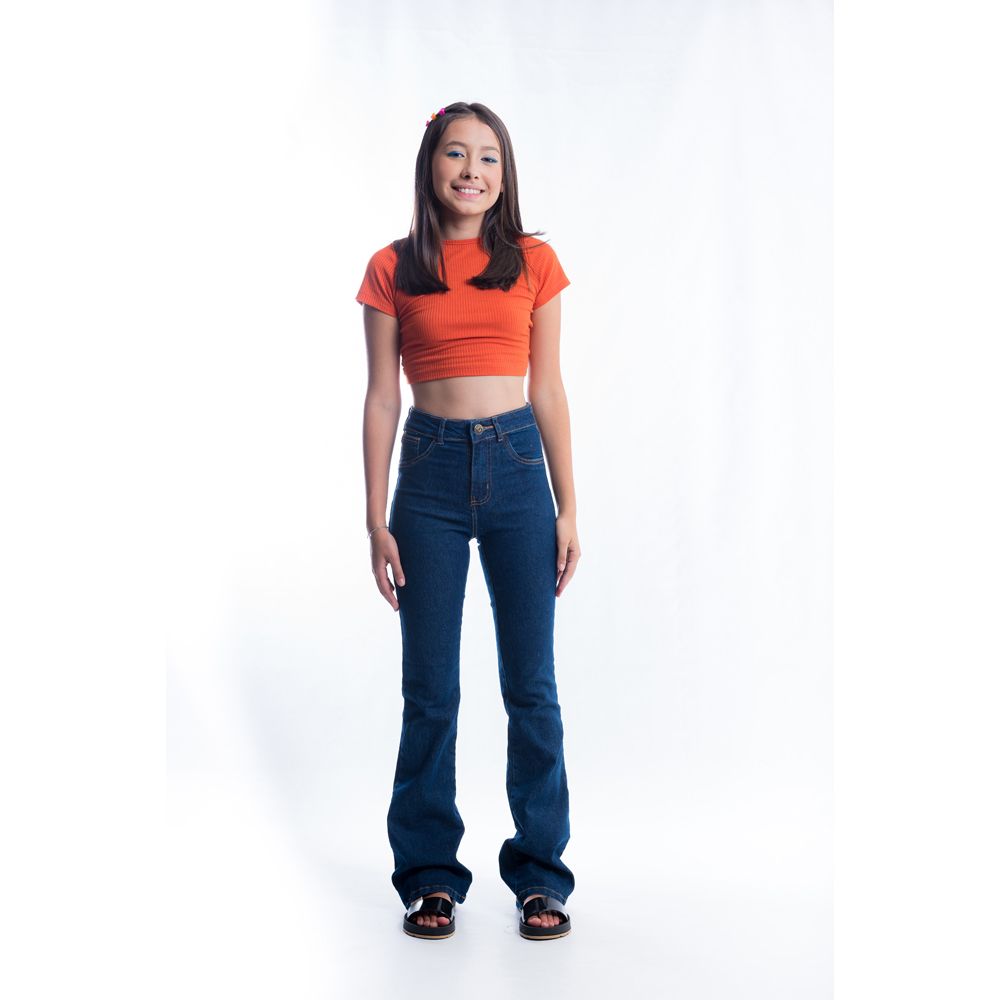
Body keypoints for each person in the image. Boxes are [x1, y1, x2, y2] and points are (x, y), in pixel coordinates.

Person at [356, 101, 580, 941]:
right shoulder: (392, 267)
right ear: (432, 167)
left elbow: (547, 388)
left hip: (519, 471)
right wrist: (374, 518)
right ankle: (429, 877)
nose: (472, 171)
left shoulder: (533, 262)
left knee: (531, 686)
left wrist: (567, 505)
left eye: (488, 157)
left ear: (504, 174)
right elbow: (382, 398)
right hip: (428, 479)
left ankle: (540, 874)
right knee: (431, 690)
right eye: (456, 154)